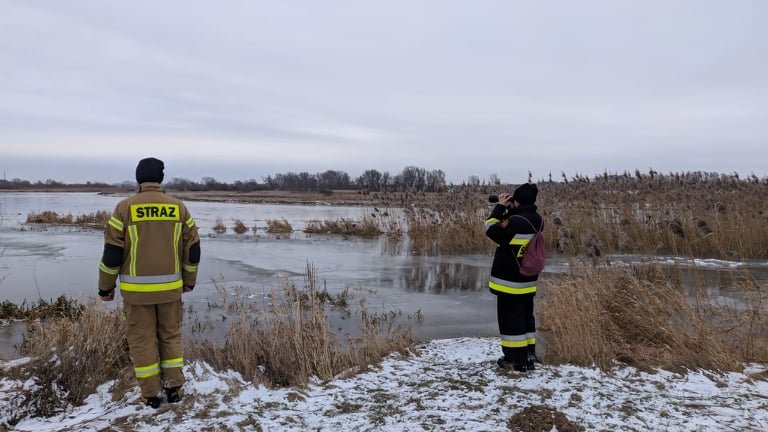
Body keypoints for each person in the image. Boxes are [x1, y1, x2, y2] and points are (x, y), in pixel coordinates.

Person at [97, 157, 201, 408]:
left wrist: (105, 286)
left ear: (138, 178)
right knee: (170, 336)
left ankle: (151, 395)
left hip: (136, 293)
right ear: (161, 179)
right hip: (170, 291)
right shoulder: (179, 208)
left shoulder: (124, 208)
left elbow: (112, 253)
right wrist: (189, 281)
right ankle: (174, 388)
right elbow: (193, 249)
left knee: (142, 341)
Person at [484, 183, 543, 372]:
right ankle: (528, 355)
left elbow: (491, 230)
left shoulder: (517, 221)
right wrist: (512, 209)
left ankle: (515, 360)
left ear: (518, 200)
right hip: (527, 280)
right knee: (526, 318)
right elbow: (513, 231)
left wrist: (500, 207)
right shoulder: (537, 219)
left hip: (510, 282)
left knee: (511, 321)